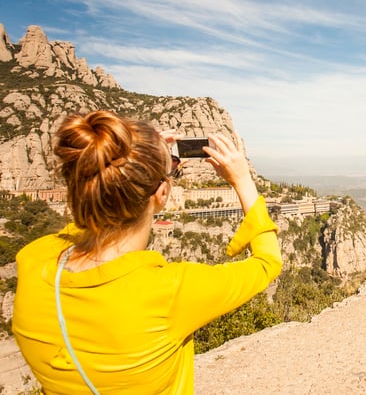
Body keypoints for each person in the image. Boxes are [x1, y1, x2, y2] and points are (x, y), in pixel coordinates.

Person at [12, 110, 282, 394]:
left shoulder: (33, 260)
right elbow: (267, 262)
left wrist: (139, 159)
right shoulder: (168, 293)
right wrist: (242, 180)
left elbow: (81, 226)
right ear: (162, 194)